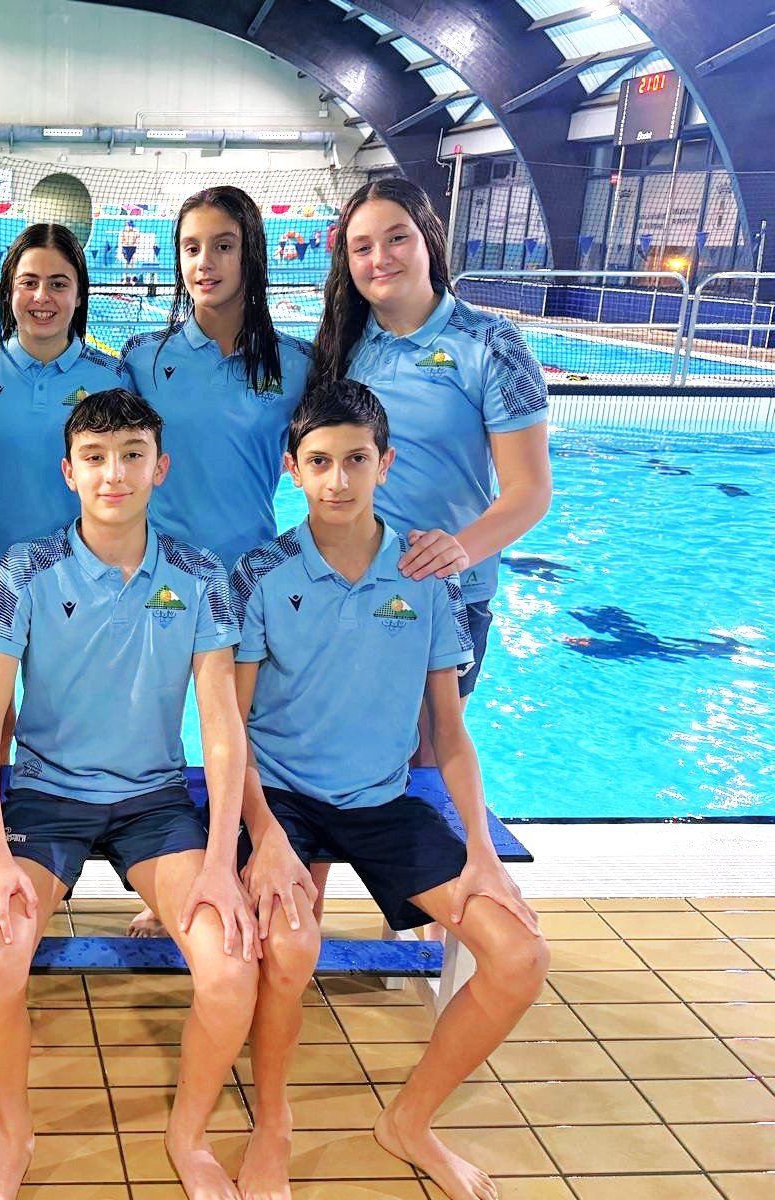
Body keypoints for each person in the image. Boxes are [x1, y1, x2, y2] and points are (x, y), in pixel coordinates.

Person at [231, 379, 547, 1200]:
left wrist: (481, 853)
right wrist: (266, 835)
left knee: (520, 956)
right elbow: (230, 729)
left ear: (386, 462)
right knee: (290, 946)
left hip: (381, 802)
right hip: (282, 799)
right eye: (320, 462)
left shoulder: (424, 574)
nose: (338, 480)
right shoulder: (261, 573)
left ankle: (410, 1121)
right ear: (293, 469)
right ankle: (273, 1123)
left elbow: (449, 733)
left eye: (356, 460)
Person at [0, 388, 262, 1200]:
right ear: (69, 471)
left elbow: (222, 724)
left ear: (160, 468)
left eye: (132, 455)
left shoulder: (199, 576)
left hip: (154, 802)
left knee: (231, 971)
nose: (114, 474)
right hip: (45, 798)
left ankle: (189, 1135)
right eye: (95, 458)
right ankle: (15, 1134)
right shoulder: (26, 570)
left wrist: (222, 861)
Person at [303, 177, 552, 921]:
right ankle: (299, 916)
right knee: (324, 747)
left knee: (427, 753)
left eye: (396, 238)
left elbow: (529, 492)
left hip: (446, 595)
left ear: (429, 241)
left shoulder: (489, 344)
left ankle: (421, 921)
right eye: (362, 247)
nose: (379, 258)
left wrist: (459, 551)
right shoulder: (344, 347)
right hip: (344, 586)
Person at [120, 185, 312, 939]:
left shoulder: (295, 364)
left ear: (250, 253)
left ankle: (243, 868)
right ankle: (173, 872)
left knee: (240, 734)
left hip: (251, 580)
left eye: (222, 246)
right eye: (191, 247)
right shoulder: (146, 359)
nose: (204, 262)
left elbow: (332, 460)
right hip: (162, 579)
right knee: (158, 731)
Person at [0, 223, 125, 616]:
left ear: (79, 294)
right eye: (29, 282)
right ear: (8, 291)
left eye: (58, 284)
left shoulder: (111, 377)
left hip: (78, 583)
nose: (41, 297)